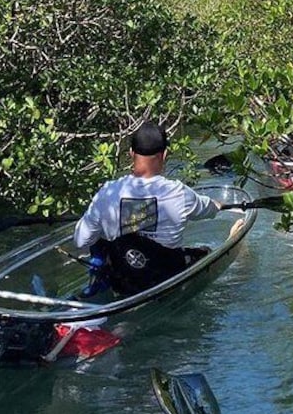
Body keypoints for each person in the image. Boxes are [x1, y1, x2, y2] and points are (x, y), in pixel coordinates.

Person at [72, 121, 221, 295]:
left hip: (123, 282)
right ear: (164, 155)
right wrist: (218, 205)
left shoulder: (108, 192)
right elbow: (209, 210)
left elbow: (80, 240)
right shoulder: (179, 193)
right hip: (166, 280)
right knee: (204, 252)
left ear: (131, 154)